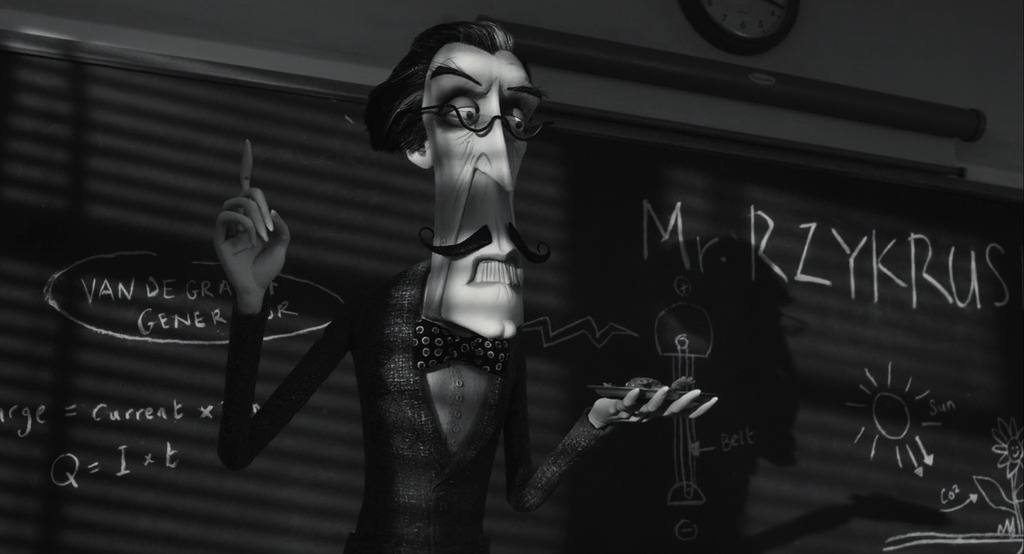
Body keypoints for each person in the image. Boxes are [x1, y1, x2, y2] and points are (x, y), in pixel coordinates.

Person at [213, 20, 717, 554]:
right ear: (418, 142)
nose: (499, 145)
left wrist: (597, 420)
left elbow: (523, 494)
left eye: (516, 116)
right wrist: (250, 302)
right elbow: (238, 450)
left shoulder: (506, 328)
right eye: (463, 112)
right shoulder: (377, 311)